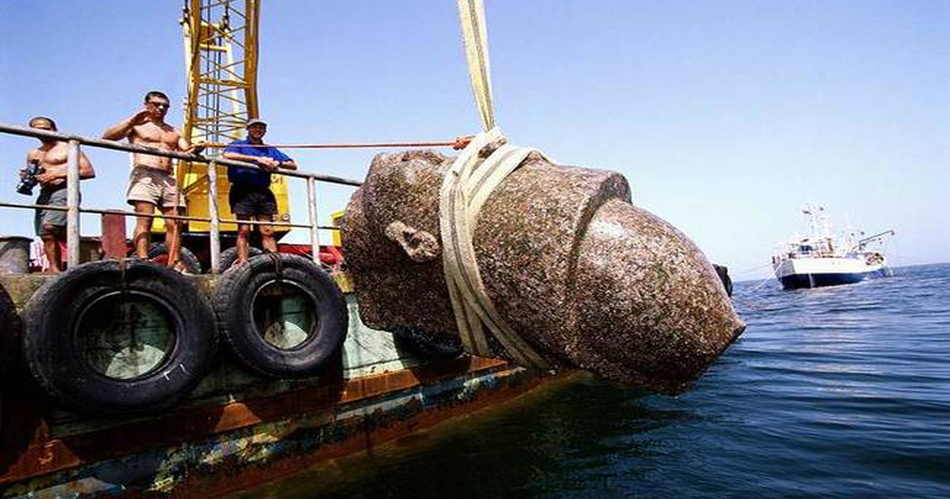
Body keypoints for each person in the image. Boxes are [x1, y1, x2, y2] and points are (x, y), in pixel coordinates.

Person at [101, 91, 203, 272]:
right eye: (157, 104)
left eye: (165, 106)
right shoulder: (138, 126)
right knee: (145, 219)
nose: (161, 108)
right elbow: (108, 136)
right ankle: (142, 259)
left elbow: (187, 153)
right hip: (145, 174)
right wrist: (133, 119)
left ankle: (174, 262)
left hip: (168, 177)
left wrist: (197, 149)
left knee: (175, 223)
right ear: (147, 105)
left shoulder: (173, 131)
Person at [23, 117, 95, 273]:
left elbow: (88, 171)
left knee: (50, 226)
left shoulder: (68, 148)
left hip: (64, 190)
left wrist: (55, 174)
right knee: (45, 233)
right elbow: (35, 178)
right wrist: (28, 178)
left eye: (46, 128)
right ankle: (54, 268)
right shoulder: (34, 154)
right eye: (36, 128)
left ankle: (86, 246)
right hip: (44, 193)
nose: (41, 131)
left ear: (54, 129)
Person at [222, 119, 297, 265]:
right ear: (248, 129)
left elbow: (293, 165)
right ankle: (243, 264)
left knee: (268, 231)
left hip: (262, 191)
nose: (258, 130)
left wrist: (278, 163)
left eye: (261, 128)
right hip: (242, 190)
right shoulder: (238, 144)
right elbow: (227, 155)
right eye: (255, 127)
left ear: (265, 131)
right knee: (244, 230)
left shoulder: (270, 149)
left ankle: (274, 265)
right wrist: (257, 160)